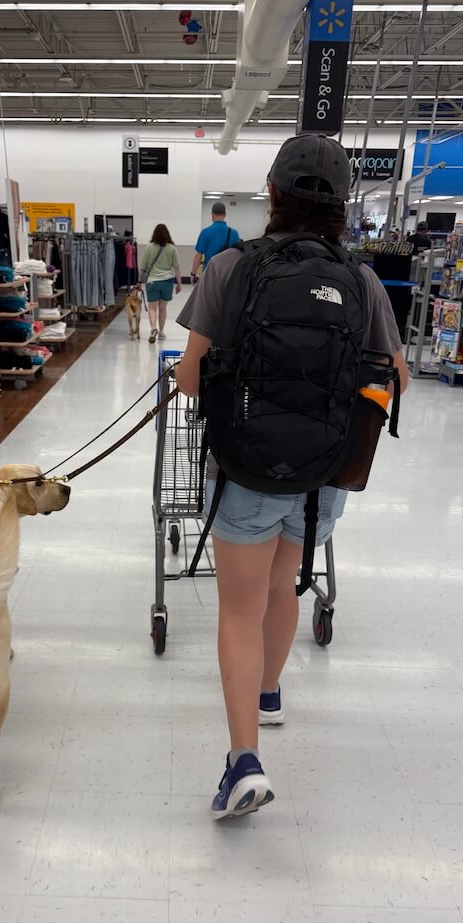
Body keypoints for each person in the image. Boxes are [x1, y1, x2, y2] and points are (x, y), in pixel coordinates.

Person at [175, 134, 409, 821]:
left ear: (273, 193)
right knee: (286, 584)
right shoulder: (360, 279)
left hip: (245, 467)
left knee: (239, 607)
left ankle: (243, 760)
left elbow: (192, 378)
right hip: (324, 473)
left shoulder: (230, 268)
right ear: (342, 204)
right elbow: (391, 374)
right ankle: (270, 692)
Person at [138, 223, 182, 344]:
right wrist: (179, 283)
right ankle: (161, 332)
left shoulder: (149, 247)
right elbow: (177, 268)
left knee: (152, 308)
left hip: (152, 281)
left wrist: (139, 282)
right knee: (163, 308)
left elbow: (142, 267)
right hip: (167, 281)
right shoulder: (172, 248)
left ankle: (153, 328)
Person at [191, 202, 240, 282]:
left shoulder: (205, 232)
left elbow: (198, 256)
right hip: (228, 275)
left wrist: (193, 274)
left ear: (212, 215)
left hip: (209, 274)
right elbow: (238, 256)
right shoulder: (234, 233)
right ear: (225, 215)